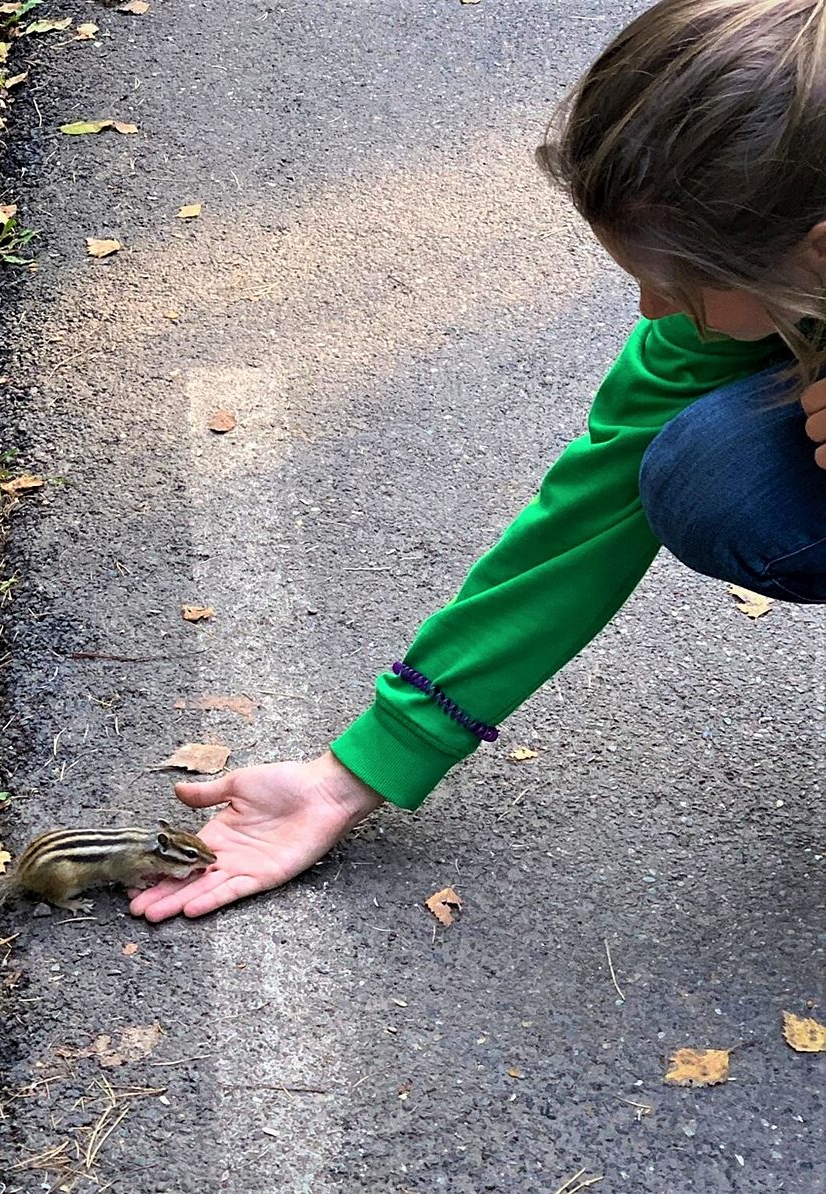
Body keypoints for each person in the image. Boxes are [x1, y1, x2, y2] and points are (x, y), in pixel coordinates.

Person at [130, 0, 826, 923]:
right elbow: (586, 513)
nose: (653, 313)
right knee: (714, 475)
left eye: (680, 286)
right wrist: (354, 771)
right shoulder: (752, 264)